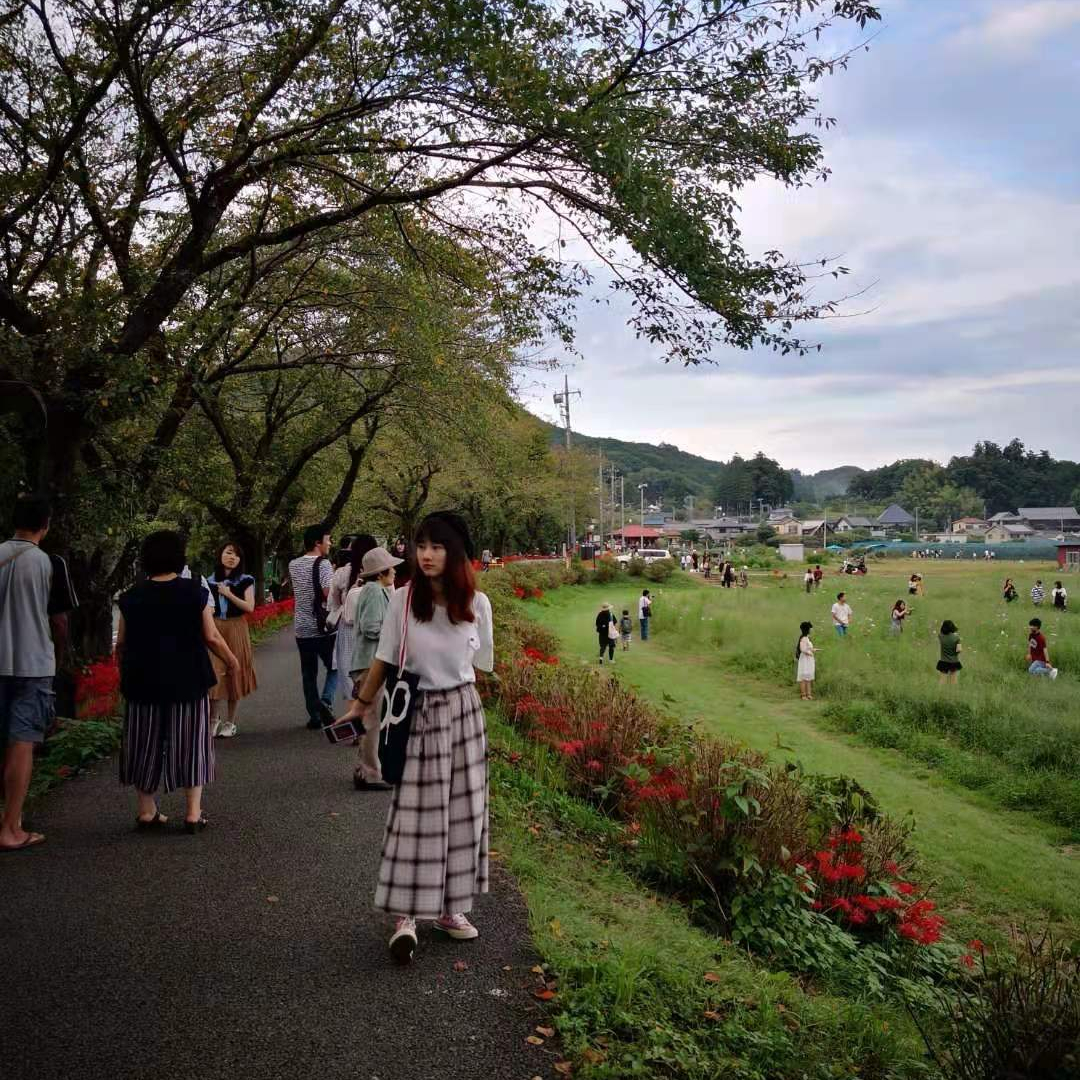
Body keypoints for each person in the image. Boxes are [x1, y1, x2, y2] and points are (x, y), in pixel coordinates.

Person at [351, 511, 493, 964]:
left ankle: (452, 908)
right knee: (414, 813)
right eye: (421, 546)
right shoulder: (402, 600)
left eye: (437, 547)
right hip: (418, 712)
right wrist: (360, 704)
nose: (426, 555)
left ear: (456, 553)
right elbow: (385, 658)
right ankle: (407, 914)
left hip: (464, 712)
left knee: (463, 812)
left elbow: (480, 668)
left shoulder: (478, 604)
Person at [116, 530, 238, 832]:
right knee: (192, 742)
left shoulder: (131, 597)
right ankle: (193, 813)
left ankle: (147, 811)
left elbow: (121, 644)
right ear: (178, 557)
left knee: (143, 742)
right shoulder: (193, 591)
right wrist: (231, 660)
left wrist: (126, 670)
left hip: (142, 681)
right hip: (188, 679)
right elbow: (210, 636)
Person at [0, 496, 77, 852]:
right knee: (22, 743)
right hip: (32, 665)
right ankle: (11, 827)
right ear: (45, 525)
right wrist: (59, 658)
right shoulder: (50, 563)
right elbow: (59, 621)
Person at [335, 546, 402, 790]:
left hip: (369, 662)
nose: (394, 571)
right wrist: (396, 635)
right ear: (380, 572)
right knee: (372, 719)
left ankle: (366, 769)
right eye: (391, 567)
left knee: (371, 717)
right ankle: (370, 773)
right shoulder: (374, 591)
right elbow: (371, 626)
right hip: (370, 663)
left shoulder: (376, 589)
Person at [206, 542, 257, 738]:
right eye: (228, 552)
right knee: (214, 673)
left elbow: (249, 607)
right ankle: (213, 719)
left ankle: (231, 721)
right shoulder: (208, 581)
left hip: (236, 627)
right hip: (215, 627)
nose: (232, 557)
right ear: (220, 554)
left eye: (236, 555)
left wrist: (228, 594)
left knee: (235, 671)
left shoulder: (246, 580)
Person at [289, 523, 338, 729]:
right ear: (318, 543)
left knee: (308, 673)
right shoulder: (324, 564)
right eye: (328, 539)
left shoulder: (293, 564)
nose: (330, 543)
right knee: (334, 667)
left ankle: (315, 717)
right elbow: (328, 593)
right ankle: (325, 701)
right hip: (322, 627)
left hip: (302, 627)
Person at [330, 534, 377, 705]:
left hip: (348, 631)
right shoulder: (382, 573)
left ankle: (355, 724)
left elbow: (333, 603)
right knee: (373, 680)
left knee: (350, 682)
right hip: (374, 631)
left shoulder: (343, 573)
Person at [795, 621, 816, 700]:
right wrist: (809, 653)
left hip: (809, 659)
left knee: (808, 676)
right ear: (807, 629)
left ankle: (809, 694)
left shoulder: (807, 638)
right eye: (810, 629)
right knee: (804, 676)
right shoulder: (803, 638)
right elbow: (803, 649)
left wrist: (813, 650)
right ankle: (803, 695)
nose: (811, 630)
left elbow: (807, 648)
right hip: (805, 659)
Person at [937, 619, 962, 684]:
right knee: (953, 680)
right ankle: (953, 692)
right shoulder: (957, 638)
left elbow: (940, 632)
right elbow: (959, 650)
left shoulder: (940, 636)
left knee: (942, 680)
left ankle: (940, 692)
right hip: (954, 661)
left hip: (944, 661)